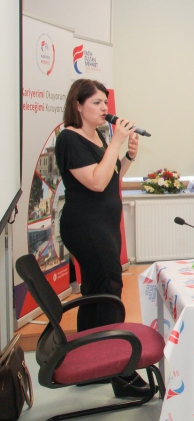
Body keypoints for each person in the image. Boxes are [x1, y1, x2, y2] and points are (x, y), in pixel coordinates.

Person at [55, 79, 149, 398]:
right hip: (86, 226)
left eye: (105, 102)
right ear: (78, 106)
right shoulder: (69, 138)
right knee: (110, 291)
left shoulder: (97, 135)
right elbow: (95, 183)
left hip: (103, 225)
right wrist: (116, 143)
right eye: (96, 102)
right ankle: (121, 373)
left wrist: (128, 157)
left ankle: (90, 365)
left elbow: (110, 178)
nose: (104, 108)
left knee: (96, 292)